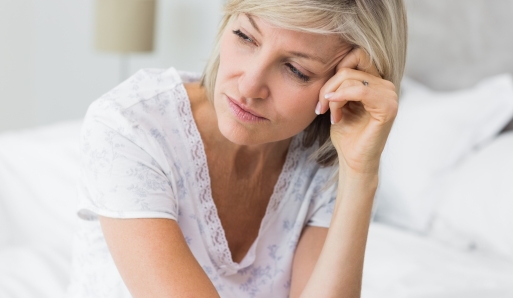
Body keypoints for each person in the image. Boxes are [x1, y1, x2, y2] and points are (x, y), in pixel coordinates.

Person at [67, 0, 407, 297]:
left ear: (342, 85)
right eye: (245, 37)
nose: (249, 85)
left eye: (295, 69)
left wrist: (361, 173)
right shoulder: (131, 126)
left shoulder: (330, 156)